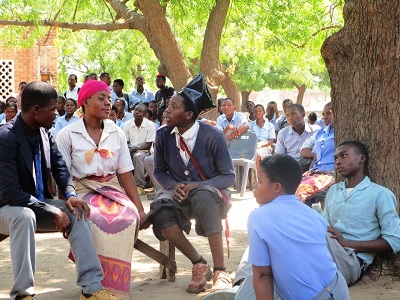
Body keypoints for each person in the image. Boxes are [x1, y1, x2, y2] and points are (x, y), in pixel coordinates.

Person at [0, 81, 116, 300]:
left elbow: (61, 167)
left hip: (37, 205)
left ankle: (91, 288)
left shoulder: (46, 132)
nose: (58, 112)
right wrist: (52, 211)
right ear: (35, 111)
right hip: (7, 208)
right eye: (53, 109)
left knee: (77, 211)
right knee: (23, 216)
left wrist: (71, 195)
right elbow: (9, 193)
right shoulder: (6, 137)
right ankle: (23, 294)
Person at [145, 73, 235, 294]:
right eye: (168, 104)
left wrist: (197, 185)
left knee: (204, 196)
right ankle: (199, 263)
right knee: (161, 209)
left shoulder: (213, 136)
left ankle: (220, 271)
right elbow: (159, 172)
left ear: (188, 114)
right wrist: (173, 186)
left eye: (173, 106)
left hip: (209, 195)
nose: (166, 109)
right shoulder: (162, 135)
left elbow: (228, 177)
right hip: (178, 195)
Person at [56, 80, 147, 294]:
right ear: (85, 102)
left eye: (109, 99)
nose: (108, 103)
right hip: (81, 189)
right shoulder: (67, 135)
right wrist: (66, 204)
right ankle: (95, 284)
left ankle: (113, 283)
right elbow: (62, 177)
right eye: (101, 99)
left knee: (127, 217)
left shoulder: (117, 133)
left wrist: (140, 207)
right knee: (92, 219)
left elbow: (125, 173)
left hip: (112, 188)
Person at [247, 154, 349, 300]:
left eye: (259, 181)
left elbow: (263, 275)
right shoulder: (314, 215)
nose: (255, 186)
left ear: (276, 187)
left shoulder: (258, 217)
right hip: (338, 288)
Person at [323, 141, 400, 286]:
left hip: (352, 260)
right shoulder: (333, 190)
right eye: (336, 158)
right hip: (327, 254)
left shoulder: (380, 194)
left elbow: (394, 241)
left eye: (343, 156)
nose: (338, 162)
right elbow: (325, 227)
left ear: (361, 159)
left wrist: (347, 243)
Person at [275, 103, 319, 172]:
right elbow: (279, 157)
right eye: (287, 115)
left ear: (303, 115)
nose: (290, 118)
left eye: (293, 114)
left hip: (310, 167)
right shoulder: (283, 133)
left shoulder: (315, 131)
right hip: (289, 169)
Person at [123, 103, 156, 196]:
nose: (136, 112)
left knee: (138, 156)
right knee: (120, 156)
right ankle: (123, 185)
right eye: (136, 110)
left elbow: (148, 145)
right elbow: (125, 142)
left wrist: (134, 149)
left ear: (145, 115)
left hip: (144, 151)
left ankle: (139, 185)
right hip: (130, 149)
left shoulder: (150, 125)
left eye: (140, 111)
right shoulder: (127, 124)